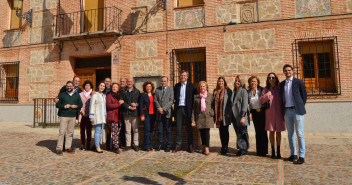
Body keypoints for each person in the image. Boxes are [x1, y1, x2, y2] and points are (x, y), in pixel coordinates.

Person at [280, 64, 307, 164]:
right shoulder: (282, 84)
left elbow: (304, 96)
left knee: (299, 133)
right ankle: (293, 154)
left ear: (292, 71)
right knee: (290, 133)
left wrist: (300, 106)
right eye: (286, 70)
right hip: (287, 111)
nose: (287, 72)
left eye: (289, 70)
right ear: (283, 72)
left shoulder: (299, 82)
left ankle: (302, 156)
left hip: (297, 111)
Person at [260, 73, 285, 159]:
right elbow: (261, 100)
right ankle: (273, 151)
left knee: (278, 132)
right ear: (268, 79)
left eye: (273, 77)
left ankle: (278, 151)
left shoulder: (279, 89)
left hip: (279, 114)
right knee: (271, 132)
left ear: (276, 79)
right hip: (270, 115)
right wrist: (267, 95)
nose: (271, 79)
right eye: (269, 78)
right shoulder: (265, 90)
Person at [55, 81, 83, 155]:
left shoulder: (77, 95)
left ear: (73, 87)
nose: (69, 87)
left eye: (70, 86)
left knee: (70, 133)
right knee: (62, 132)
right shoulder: (62, 94)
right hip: (64, 116)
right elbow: (57, 105)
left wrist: (76, 106)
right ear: (66, 86)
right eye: (68, 86)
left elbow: (80, 104)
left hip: (72, 116)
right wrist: (64, 106)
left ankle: (67, 148)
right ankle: (59, 149)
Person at [173, 70, 197, 153]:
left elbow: (195, 99)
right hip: (179, 109)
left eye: (184, 75)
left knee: (189, 128)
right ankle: (178, 145)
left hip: (188, 110)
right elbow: (175, 98)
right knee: (178, 128)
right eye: (181, 75)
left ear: (187, 77)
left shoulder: (192, 86)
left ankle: (190, 146)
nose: (182, 77)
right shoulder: (177, 86)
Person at [192, 81, 214, 155]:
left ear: (206, 87)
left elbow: (213, 106)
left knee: (207, 133)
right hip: (199, 117)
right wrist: (193, 119)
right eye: (201, 86)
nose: (202, 87)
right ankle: (204, 146)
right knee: (202, 133)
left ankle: (207, 148)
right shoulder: (196, 96)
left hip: (208, 117)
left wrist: (212, 112)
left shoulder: (210, 95)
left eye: (203, 86)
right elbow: (193, 109)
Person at [248, 76, 268, 157]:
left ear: (257, 82)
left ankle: (264, 150)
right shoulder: (248, 92)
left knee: (263, 131)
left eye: (255, 81)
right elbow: (248, 104)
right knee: (257, 132)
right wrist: (249, 113)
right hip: (254, 113)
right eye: (252, 81)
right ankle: (259, 150)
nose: (253, 83)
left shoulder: (262, 90)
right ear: (250, 83)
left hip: (262, 112)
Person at [231, 75, 250, 156]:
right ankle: (241, 147)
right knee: (238, 133)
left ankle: (244, 149)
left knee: (243, 132)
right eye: (236, 81)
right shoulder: (234, 91)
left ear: (241, 82)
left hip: (241, 115)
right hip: (235, 116)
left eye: (238, 81)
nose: (237, 82)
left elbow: (245, 104)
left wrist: (243, 116)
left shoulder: (243, 91)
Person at [154, 76, 174, 152]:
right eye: (162, 81)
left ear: (167, 82)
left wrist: (164, 108)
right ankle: (160, 144)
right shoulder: (157, 89)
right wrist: (159, 108)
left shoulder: (170, 89)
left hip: (167, 113)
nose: (163, 82)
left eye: (165, 81)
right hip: (159, 113)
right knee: (160, 130)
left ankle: (168, 145)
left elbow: (171, 100)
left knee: (168, 130)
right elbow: (155, 100)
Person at [213, 76, 232, 155]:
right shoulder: (215, 91)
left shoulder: (228, 91)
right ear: (218, 82)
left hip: (225, 114)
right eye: (219, 81)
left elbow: (230, 103)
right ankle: (222, 146)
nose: (221, 83)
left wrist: (229, 113)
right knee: (221, 131)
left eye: (222, 81)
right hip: (218, 115)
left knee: (225, 131)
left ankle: (225, 147)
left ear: (224, 82)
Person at [120, 77, 140, 151]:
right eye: (128, 81)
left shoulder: (137, 91)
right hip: (126, 113)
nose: (129, 83)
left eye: (131, 81)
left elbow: (139, 101)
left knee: (135, 130)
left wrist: (136, 104)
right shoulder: (123, 91)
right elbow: (121, 101)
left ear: (133, 82)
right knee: (127, 130)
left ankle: (136, 144)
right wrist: (128, 107)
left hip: (135, 113)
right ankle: (128, 145)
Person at [106, 82, 124, 154]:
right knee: (114, 133)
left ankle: (113, 145)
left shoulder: (119, 95)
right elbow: (109, 106)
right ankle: (116, 147)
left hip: (119, 116)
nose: (114, 88)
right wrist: (118, 104)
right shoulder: (109, 96)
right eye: (113, 87)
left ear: (118, 88)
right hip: (113, 117)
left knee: (117, 132)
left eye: (116, 87)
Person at [89, 81, 107, 153]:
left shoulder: (104, 95)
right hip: (97, 116)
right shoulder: (95, 95)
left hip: (103, 116)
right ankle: (97, 146)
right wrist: (91, 115)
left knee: (100, 132)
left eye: (103, 86)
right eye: (101, 85)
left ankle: (97, 145)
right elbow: (92, 105)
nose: (102, 87)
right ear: (98, 86)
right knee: (97, 131)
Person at [139, 81, 156, 151]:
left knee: (151, 130)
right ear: (145, 88)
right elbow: (140, 105)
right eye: (147, 86)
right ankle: (146, 146)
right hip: (146, 115)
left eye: (149, 86)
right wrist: (142, 115)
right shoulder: (143, 95)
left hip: (153, 115)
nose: (148, 87)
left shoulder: (154, 95)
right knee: (147, 130)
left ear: (152, 87)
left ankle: (150, 144)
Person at [78, 80, 93, 150]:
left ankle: (88, 144)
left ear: (90, 87)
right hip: (82, 114)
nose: (87, 87)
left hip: (90, 115)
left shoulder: (93, 94)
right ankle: (82, 144)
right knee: (82, 130)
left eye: (89, 85)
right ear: (84, 86)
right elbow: (78, 103)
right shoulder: (80, 94)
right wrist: (82, 111)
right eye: (86, 85)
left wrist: (89, 113)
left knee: (89, 130)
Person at [119, 77, 127, 148]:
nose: (122, 83)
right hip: (118, 112)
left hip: (125, 112)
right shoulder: (118, 90)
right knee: (119, 128)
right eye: (121, 81)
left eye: (123, 82)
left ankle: (124, 143)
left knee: (125, 129)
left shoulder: (127, 90)